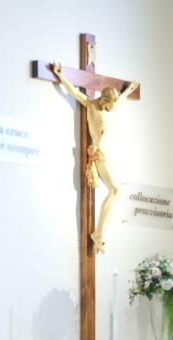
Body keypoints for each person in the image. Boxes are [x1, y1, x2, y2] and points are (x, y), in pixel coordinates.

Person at [51, 63, 138, 254]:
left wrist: (129, 90)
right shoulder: (91, 106)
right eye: (110, 104)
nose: (112, 108)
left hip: (109, 153)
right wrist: (60, 76)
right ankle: (98, 234)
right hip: (100, 155)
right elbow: (74, 92)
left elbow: (119, 101)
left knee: (115, 191)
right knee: (115, 190)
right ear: (103, 100)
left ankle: (99, 233)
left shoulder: (107, 106)